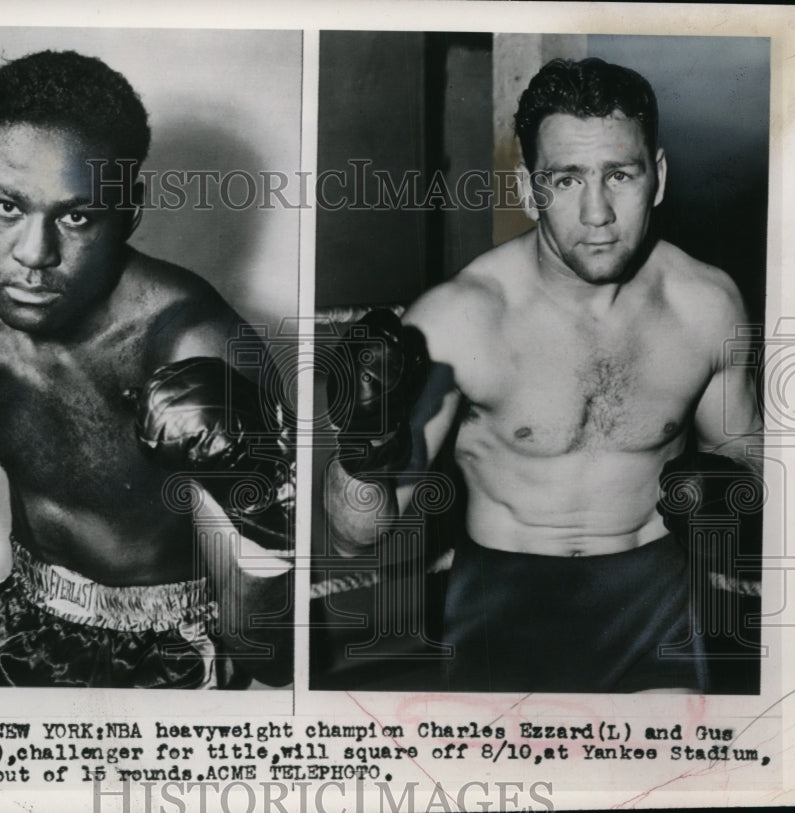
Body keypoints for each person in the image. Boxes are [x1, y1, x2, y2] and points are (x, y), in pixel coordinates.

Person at [0, 50, 294, 689]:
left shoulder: (196, 342)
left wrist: (260, 518)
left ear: (130, 210)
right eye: (6, 206)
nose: (33, 254)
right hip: (18, 629)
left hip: (181, 645)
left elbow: (269, 657)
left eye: (76, 216)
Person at [325, 57, 763, 693]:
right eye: (566, 179)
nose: (596, 213)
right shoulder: (460, 321)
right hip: (503, 605)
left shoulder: (707, 304)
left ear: (658, 178)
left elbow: (745, 450)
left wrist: (733, 489)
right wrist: (362, 447)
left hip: (652, 599)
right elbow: (354, 540)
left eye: (620, 175)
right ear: (530, 189)